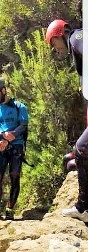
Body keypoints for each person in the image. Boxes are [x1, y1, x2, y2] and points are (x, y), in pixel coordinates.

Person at [45, 19, 88, 222]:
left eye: (54, 43)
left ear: (60, 33)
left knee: (81, 150)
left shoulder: (76, 37)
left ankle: (82, 208)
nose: (56, 48)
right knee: (74, 158)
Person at [0, 77, 29, 220]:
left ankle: (10, 210)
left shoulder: (19, 106)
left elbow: (23, 125)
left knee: (14, 176)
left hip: (16, 146)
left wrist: (12, 135)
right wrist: (1, 135)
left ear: (3, 90)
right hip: (1, 147)